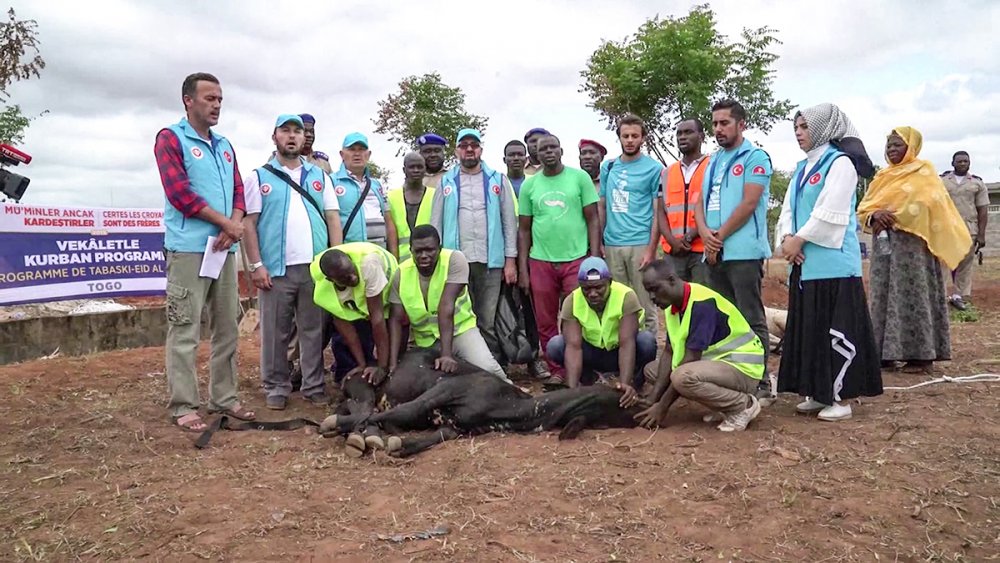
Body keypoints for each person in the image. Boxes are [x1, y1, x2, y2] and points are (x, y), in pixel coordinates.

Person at [154, 72, 255, 431]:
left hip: (224, 251)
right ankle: (184, 405)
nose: (216, 105)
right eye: (210, 98)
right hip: (189, 251)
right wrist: (226, 224)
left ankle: (224, 398)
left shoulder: (225, 145)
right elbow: (180, 194)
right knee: (185, 328)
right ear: (188, 100)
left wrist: (236, 223)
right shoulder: (170, 139)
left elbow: (239, 190)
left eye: (220, 100)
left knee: (227, 325)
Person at [774, 104, 882, 421]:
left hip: (835, 266)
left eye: (805, 127)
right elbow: (787, 211)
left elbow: (830, 212)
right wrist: (786, 240)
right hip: (805, 266)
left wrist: (799, 241)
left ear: (823, 128)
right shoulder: (801, 168)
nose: (798, 133)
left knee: (837, 330)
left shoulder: (840, 164)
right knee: (812, 330)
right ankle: (818, 392)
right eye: (796, 127)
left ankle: (841, 397)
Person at [241, 114, 343, 410]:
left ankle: (313, 385)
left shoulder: (319, 176)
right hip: (276, 269)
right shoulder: (258, 177)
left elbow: (332, 218)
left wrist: (334, 260)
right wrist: (256, 265)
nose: (292, 136)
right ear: (275, 137)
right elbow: (249, 224)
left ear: (304, 138)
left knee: (313, 330)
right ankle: (276, 386)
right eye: (285, 131)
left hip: (314, 269)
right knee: (276, 331)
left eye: (297, 131)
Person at [857, 127, 971, 374]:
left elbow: (930, 205)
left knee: (914, 297)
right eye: (889, 145)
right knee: (882, 296)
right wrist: (875, 215)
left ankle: (920, 356)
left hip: (915, 250)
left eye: (898, 144)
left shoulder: (924, 172)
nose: (891, 149)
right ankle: (884, 354)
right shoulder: (882, 176)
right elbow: (864, 208)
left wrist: (896, 215)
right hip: (885, 248)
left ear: (912, 146)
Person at [693, 99, 772, 396]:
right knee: (722, 320)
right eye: (714, 124)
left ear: (742, 124)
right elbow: (699, 202)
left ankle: (762, 384)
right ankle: (732, 382)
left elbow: (749, 203)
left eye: (724, 123)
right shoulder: (712, 160)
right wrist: (705, 234)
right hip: (712, 252)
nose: (718, 129)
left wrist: (719, 237)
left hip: (743, 253)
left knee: (751, 318)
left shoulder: (755, 157)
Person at [635, 259, 765, 432]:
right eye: (648, 291)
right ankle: (722, 405)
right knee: (652, 370)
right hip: (719, 365)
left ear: (672, 280)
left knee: (682, 377)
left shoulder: (702, 304)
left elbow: (689, 360)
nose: (652, 297)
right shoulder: (672, 304)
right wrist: (653, 397)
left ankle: (742, 405)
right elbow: (669, 350)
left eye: (655, 289)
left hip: (743, 369)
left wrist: (662, 407)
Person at [518, 134, 601, 381]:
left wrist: (594, 258)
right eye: (543, 149)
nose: (548, 152)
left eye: (553, 147)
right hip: (540, 261)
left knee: (579, 317)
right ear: (536, 154)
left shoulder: (580, 178)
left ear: (561, 150)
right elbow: (523, 230)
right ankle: (557, 370)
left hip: (576, 260)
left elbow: (593, 219)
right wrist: (524, 269)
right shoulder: (529, 185)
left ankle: (585, 369)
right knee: (545, 321)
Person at [430, 128, 518, 355]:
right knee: (461, 317)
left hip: (491, 261)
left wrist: (510, 261)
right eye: (464, 145)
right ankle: (465, 363)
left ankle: (492, 365)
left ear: (481, 149)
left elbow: (509, 223)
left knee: (487, 318)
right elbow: (435, 225)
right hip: (457, 262)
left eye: (474, 145)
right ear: (457, 150)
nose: (469, 149)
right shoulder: (445, 182)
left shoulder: (497, 180)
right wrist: (438, 261)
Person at [387, 225, 509, 382]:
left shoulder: (454, 260)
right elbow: (396, 320)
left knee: (489, 370)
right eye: (418, 251)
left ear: (440, 248)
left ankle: (516, 394)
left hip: (461, 331)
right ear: (410, 250)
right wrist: (392, 364)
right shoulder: (401, 273)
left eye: (429, 250)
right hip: (426, 341)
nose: (424, 255)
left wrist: (446, 355)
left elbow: (446, 307)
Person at [546, 257, 656, 403]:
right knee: (556, 345)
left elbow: (627, 344)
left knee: (646, 341)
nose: (592, 294)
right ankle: (587, 379)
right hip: (591, 353)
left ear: (609, 282)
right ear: (580, 286)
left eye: (598, 287)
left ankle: (635, 383)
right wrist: (571, 393)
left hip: (618, 352)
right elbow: (573, 347)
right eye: (587, 289)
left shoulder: (626, 296)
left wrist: (624, 385)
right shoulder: (572, 301)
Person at [598, 113, 663, 333]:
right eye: (625, 135)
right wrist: (599, 240)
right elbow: (602, 206)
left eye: (635, 135)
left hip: (640, 244)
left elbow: (657, 212)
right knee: (618, 304)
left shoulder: (654, 169)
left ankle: (648, 359)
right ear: (619, 138)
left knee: (646, 305)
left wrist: (651, 249)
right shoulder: (608, 167)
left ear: (643, 138)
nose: (630, 140)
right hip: (612, 244)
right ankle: (622, 354)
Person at [312, 242, 398, 383]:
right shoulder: (323, 288)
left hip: (389, 286)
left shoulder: (369, 264)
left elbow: (377, 319)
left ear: (351, 260)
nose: (352, 278)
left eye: (351, 270)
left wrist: (382, 367)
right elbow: (347, 332)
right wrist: (361, 364)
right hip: (360, 298)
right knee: (355, 335)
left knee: (392, 338)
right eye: (344, 278)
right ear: (330, 280)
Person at [659, 118, 710, 284]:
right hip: (673, 252)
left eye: (688, 132)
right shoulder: (667, 172)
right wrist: (673, 242)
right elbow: (660, 211)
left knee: (702, 302)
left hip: (702, 249)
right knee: (674, 303)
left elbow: (714, 207)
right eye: (679, 133)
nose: (682, 137)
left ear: (701, 136)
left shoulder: (713, 167)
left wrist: (688, 237)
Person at [941, 151, 989, 310]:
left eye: (965, 161)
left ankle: (959, 296)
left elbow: (982, 209)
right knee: (942, 262)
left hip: (969, 228)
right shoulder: (941, 181)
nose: (963, 164)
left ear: (969, 163)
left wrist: (981, 234)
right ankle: (939, 296)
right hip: (946, 228)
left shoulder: (977, 183)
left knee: (965, 264)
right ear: (952, 163)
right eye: (959, 161)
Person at [332, 132, 396, 248]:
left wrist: (394, 257)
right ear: (342, 154)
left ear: (369, 154)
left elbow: (389, 221)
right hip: (348, 255)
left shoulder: (377, 185)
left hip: (379, 253)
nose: (357, 154)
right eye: (352, 149)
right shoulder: (331, 182)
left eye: (361, 150)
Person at [387, 152, 435, 263]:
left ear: (425, 169)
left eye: (420, 167)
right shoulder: (391, 197)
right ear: (404, 170)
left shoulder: (435, 195)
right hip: (401, 262)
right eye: (412, 167)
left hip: (429, 260)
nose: (416, 170)